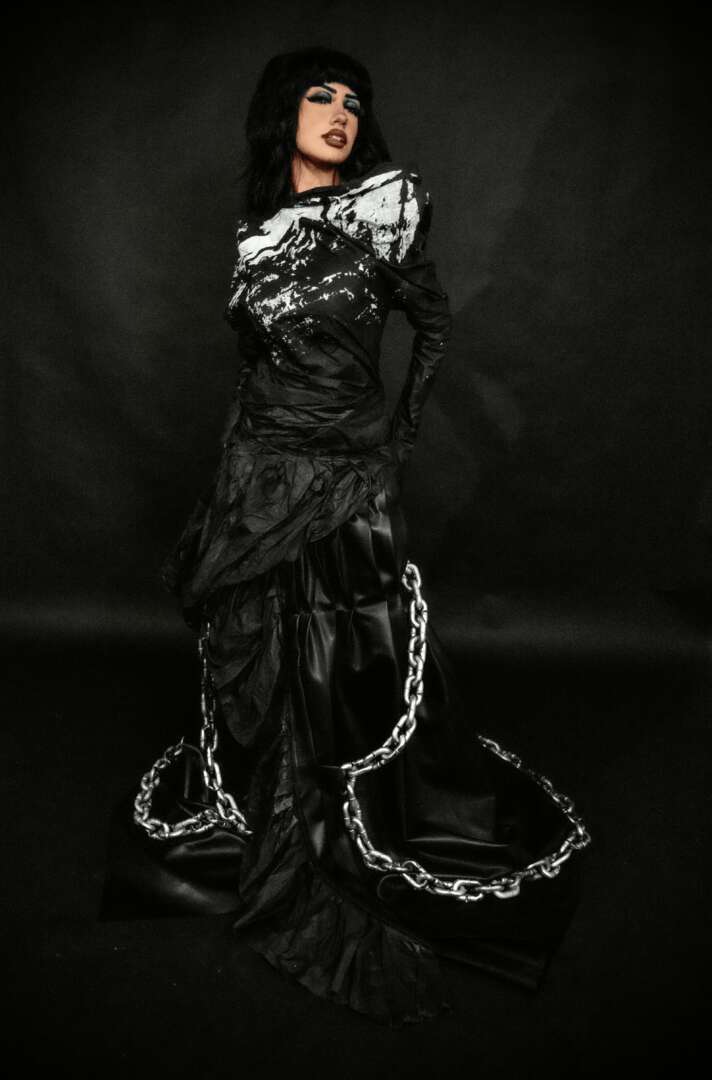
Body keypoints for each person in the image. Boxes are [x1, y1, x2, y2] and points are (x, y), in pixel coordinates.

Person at [123, 46, 591, 1025]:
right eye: (319, 96)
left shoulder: (386, 204)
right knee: (254, 638)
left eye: (353, 101)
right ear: (281, 114)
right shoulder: (257, 232)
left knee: (351, 644)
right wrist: (234, 474)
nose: (340, 112)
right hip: (261, 465)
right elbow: (256, 363)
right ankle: (262, 806)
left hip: (343, 466)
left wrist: (397, 436)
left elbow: (433, 322)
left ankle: (344, 820)